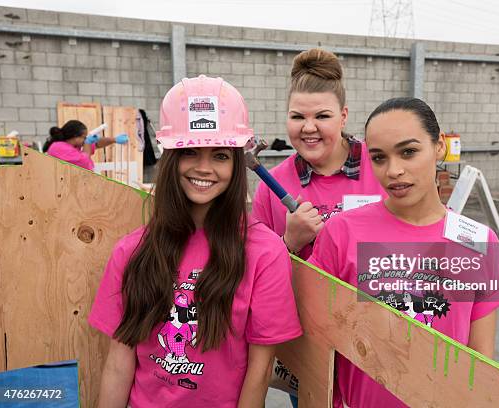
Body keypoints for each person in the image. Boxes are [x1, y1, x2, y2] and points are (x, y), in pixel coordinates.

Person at [88, 75, 302, 407]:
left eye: (220, 155)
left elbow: (259, 373)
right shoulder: (132, 251)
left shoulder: (265, 253)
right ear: (170, 158)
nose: (204, 168)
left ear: (236, 162)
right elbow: (119, 363)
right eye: (190, 152)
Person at [308, 97, 499, 407]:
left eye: (408, 152)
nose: (394, 170)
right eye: (379, 158)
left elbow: (480, 360)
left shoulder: (479, 242)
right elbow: (317, 339)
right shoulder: (342, 232)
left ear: (439, 147)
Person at [251, 48, 386, 260]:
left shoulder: (383, 166)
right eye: (297, 117)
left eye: (322, 116)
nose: (308, 128)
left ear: (343, 117)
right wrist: (289, 242)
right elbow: (254, 267)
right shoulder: (271, 186)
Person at [44, 120, 128, 170]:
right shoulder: (58, 147)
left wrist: (114, 139)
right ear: (75, 137)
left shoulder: (75, 146)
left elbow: (97, 144)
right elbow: (84, 163)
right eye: (84, 137)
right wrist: (87, 142)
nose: (85, 140)